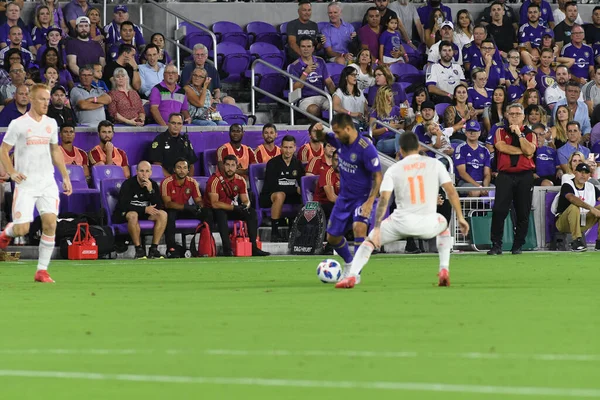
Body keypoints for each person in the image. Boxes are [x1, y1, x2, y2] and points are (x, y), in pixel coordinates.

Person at [335, 131, 469, 289]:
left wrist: (377, 227)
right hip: (428, 223)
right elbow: (451, 191)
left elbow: (384, 199)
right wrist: (460, 217)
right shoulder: (436, 164)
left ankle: (352, 276)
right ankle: (443, 269)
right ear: (419, 146)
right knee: (443, 226)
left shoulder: (394, 169)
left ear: (400, 150)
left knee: (369, 242)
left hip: (399, 223)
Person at [0, 83, 72, 283]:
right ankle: (6, 233)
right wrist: (12, 172)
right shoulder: (19, 124)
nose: (46, 103)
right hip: (26, 184)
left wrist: (65, 176)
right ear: (31, 99)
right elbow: (3, 150)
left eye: (48, 99)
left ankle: (42, 270)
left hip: (47, 182)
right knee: (22, 229)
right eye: (42, 99)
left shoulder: (50, 123)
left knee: (50, 224)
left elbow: (55, 150)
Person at [314, 114, 382, 280]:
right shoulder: (339, 140)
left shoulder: (366, 149)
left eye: (337, 132)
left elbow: (378, 177)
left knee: (359, 227)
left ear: (348, 129)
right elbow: (320, 136)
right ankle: (350, 262)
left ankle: (355, 273)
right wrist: (317, 131)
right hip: (344, 197)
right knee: (332, 237)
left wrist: (370, 202)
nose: (334, 136)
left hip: (362, 197)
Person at [488, 103, 537, 256]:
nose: (514, 116)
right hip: (505, 175)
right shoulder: (500, 131)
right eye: (511, 114)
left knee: (523, 212)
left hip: (525, 175)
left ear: (523, 117)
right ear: (507, 116)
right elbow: (501, 147)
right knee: (499, 210)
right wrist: (523, 151)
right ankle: (496, 245)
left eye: (517, 114)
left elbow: (530, 150)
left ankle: (518, 245)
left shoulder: (530, 134)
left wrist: (520, 136)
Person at [205, 154, 269, 257]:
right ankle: (227, 249)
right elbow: (215, 203)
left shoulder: (240, 180)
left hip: (231, 208)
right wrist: (235, 208)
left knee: (251, 213)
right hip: (213, 212)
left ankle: (253, 247)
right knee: (221, 213)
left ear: (237, 166)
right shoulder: (215, 180)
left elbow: (246, 200)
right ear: (222, 166)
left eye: (232, 165)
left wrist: (245, 206)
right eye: (227, 165)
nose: (230, 168)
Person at [160, 158, 213, 258]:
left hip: (184, 210)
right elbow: (168, 204)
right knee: (170, 215)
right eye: (179, 168)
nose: (182, 170)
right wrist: (187, 207)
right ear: (174, 170)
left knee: (207, 213)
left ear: (188, 170)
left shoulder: (192, 182)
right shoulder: (167, 182)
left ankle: (206, 246)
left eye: (184, 168)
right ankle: (171, 249)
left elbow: (198, 200)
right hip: (171, 210)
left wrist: (199, 206)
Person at [114, 160, 166, 260]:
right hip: (125, 214)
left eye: (147, 171)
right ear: (136, 172)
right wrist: (144, 209)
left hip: (144, 213)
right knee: (133, 215)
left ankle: (154, 249)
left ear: (151, 173)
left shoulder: (153, 185)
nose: (144, 174)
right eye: (141, 171)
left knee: (162, 214)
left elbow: (159, 206)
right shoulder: (128, 184)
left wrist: (150, 190)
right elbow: (123, 205)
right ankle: (139, 250)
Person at [259, 135, 304, 241]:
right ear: (281, 148)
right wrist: (294, 189)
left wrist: (300, 190)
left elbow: (301, 182)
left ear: (295, 148)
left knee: (304, 195)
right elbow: (274, 186)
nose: (288, 151)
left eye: (290, 147)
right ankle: (274, 232)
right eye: (285, 147)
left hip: (289, 196)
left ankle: (297, 230)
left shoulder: (298, 164)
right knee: (280, 195)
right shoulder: (272, 163)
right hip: (269, 196)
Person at [555, 162, 600, 252]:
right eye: (580, 172)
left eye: (586, 172)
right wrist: (591, 208)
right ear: (575, 173)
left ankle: (599, 243)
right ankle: (576, 241)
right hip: (563, 222)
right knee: (574, 207)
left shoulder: (591, 187)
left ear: (589, 175)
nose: (583, 175)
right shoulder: (567, 185)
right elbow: (572, 198)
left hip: (582, 220)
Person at [288, 35, 335, 118]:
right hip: (304, 99)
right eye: (303, 46)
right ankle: (317, 129)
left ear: (313, 48)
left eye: (309, 46)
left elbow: (329, 82)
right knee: (314, 109)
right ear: (299, 48)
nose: (306, 49)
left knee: (337, 107)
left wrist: (336, 96)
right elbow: (294, 89)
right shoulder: (294, 66)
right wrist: (305, 73)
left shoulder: (320, 61)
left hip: (322, 97)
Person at [148, 113, 198, 177]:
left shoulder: (185, 141)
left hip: (184, 180)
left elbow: (191, 165)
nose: (176, 126)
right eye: (173, 123)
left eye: (179, 123)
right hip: (167, 180)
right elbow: (157, 166)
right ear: (168, 124)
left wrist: (188, 180)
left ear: (182, 125)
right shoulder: (159, 140)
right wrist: (172, 181)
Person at [454, 120, 492, 197]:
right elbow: (462, 173)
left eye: (475, 131)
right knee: (475, 192)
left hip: (481, 183)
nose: (472, 133)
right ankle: (463, 208)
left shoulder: (485, 150)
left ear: (479, 133)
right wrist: (479, 187)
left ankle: (489, 209)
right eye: (470, 131)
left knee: (495, 191)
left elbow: (487, 173)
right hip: (465, 183)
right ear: (466, 132)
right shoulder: (460, 149)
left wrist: (485, 186)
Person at [369, 85, 402, 156]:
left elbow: (401, 127)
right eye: (386, 97)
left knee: (402, 133)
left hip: (395, 139)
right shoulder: (375, 112)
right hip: (382, 142)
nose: (389, 99)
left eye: (390, 96)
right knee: (404, 143)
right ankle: (398, 156)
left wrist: (404, 118)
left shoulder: (397, 110)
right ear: (381, 98)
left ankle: (398, 155)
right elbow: (372, 132)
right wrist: (387, 128)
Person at [333, 66, 368, 131]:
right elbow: (335, 107)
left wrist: (365, 116)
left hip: (360, 123)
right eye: (352, 75)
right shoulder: (340, 91)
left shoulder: (360, 92)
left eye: (356, 75)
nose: (355, 77)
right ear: (346, 77)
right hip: (346, 123)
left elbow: (365, 108)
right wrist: (351, 113)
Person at [312, 149, 339, 219]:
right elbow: (332, 198)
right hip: (321, 205)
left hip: (336, 204)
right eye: (336, 160)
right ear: (332, 160)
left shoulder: (348, 174)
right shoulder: (327, 173)